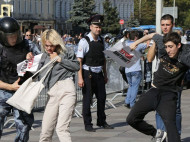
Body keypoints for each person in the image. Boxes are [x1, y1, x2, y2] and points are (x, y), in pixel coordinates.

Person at [127, 32, 190, 142]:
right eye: (166, 47)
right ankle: (157, 134)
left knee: (171, 128)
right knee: (131, 119)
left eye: (171, 47)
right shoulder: (162, 44)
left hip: (169, 95)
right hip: (154, 90)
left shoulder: (186, 56)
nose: (168, 50)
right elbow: (152, 35)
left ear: (178, 45)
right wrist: (135, 43)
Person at [0, 17, 40, 141]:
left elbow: (40, 67)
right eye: (9, 36)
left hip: (23, 92)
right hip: (3, 90)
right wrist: (10, 87)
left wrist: (32, 60)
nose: (13, 39)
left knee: (23, 125)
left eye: (15, 35)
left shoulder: (28, 45)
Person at [36, 29, 80, 142]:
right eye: (46, 45)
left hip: (67, 89)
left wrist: (60, 60)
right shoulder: (44, 56)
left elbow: (76, 67)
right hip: (52, 92)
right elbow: (39, 74)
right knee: (46, 130)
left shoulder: (67, 51)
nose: (49, 48)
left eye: (51, 45)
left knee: (62, 128)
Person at [77, 14, 113, 132]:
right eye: (96, 27)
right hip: (88, 74)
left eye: (100, 27)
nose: (98, 29)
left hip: (99, 74)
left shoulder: (102, 40)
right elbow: (79, 61)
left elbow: (103, 59)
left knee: (102, 98)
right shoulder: (84, 41)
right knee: (87, 100)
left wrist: (105, 75)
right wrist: (80, 78)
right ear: (91, 27)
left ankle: (101, 121)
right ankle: (88, 124)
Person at [124, 31, 147, 109]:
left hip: (127, 69)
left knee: (130, 86)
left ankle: (127, 101)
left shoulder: (125, 44)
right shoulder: (138, 45)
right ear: (136, 38)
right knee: (135, 87)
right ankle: (132, 103)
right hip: (136, 69)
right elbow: (148, 45)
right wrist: (146, 36)